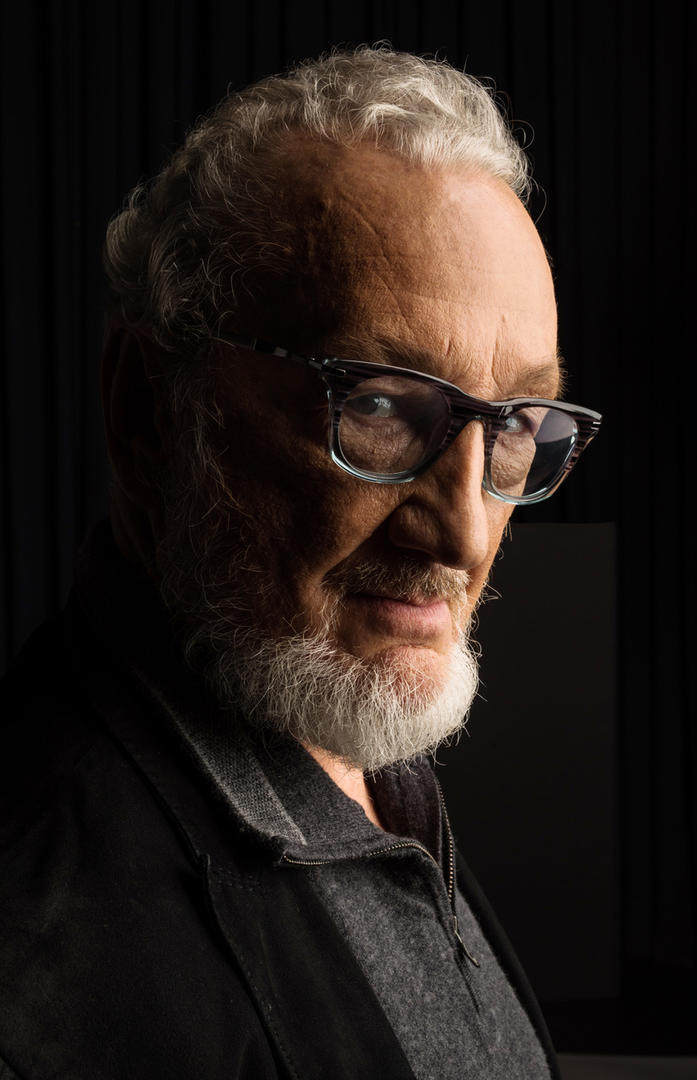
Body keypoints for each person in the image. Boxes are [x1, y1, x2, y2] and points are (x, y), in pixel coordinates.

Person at [0, 47, 600, 1079]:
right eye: (380, 404)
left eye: (513, 425)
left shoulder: (360, 759)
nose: (464, 535)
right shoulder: (38, 939)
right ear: (148, 409)